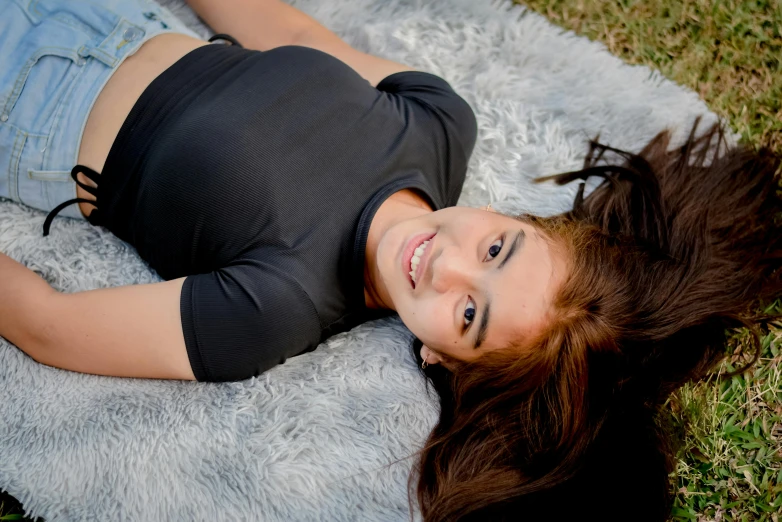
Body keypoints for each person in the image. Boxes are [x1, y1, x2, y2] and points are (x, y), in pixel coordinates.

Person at [0, 0, 779, 520]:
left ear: (438, 353)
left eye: (470, 314)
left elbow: (49, 325)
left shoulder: (272, 311)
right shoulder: (439, 123)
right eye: (497, 248)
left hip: (28, 105)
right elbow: (300, 40)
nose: (447, 265)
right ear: (514, 216)